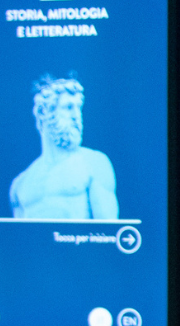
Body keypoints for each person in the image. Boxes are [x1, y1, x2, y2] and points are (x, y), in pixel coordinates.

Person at [9, 74, 118, 220]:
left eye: (79, 107)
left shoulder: (94, 163)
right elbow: (18, 239)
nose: (76, 115)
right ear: (43, 112)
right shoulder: (21, 184)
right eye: (68, 107)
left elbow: (108, 235)